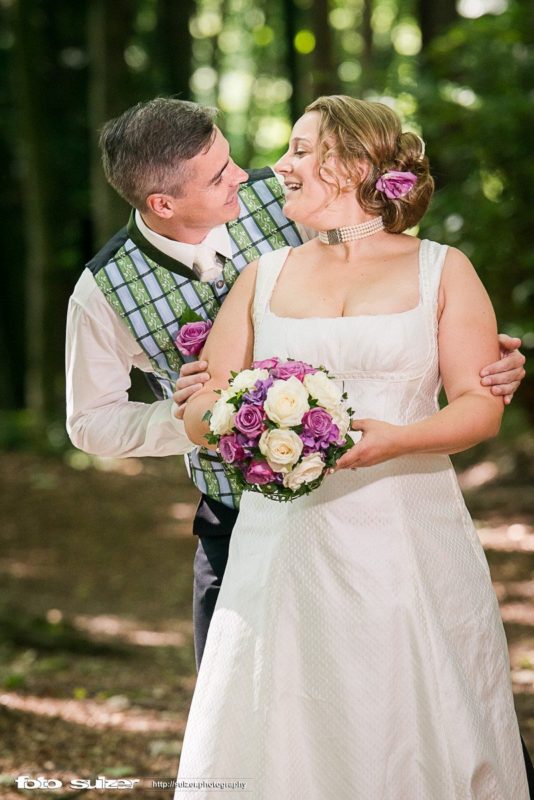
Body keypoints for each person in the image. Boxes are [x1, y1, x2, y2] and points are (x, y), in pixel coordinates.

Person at [66, 97, 525, 671]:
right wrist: (235, 420)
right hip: (244, 513)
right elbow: (90, 421)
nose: (248, 174)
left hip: (396, 509)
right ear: (163, 202)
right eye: (219, 175)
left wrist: (469, 349)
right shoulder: (103, 291)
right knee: (253, 697)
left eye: (231, 158)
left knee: (434, 683)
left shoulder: (288, 196)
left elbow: (386, 252)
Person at [174, 95, 530, 798]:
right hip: (284, 543)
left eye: (301, 150)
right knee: (285, 711)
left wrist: (399, 440)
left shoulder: (443, 269)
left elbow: (479, 407)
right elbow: (202, 409)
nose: (281, 165)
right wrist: (237, 420)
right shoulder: (261, 276)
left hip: (406, 533)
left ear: (356, 164)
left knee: (407, 703)